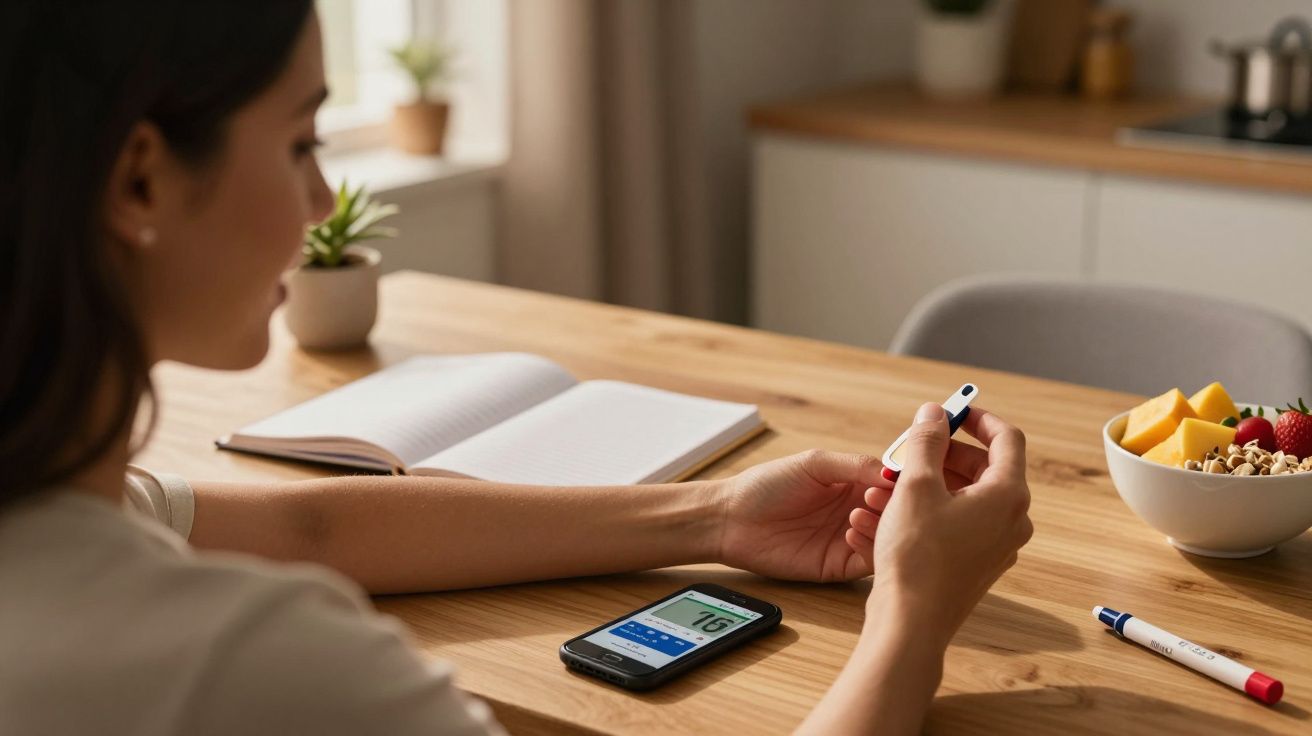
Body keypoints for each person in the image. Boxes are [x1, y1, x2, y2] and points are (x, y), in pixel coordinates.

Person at [0, 3, 1033, 734]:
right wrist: (912, 613)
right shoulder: (252, 666)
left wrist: (713, 517)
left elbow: (303, 527)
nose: (322, 203)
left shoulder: (55, 498)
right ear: (138, 176)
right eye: (300, 140)